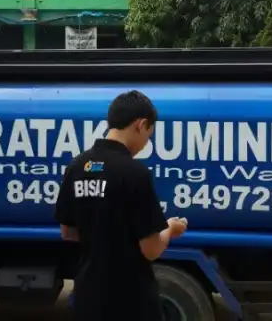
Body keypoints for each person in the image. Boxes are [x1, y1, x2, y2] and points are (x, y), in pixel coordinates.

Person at [55, 90, 188, 321]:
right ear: (141, 124)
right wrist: (170, 228)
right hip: (130, 299)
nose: (147, 143)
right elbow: (151, 248)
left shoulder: (77, 166)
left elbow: (68, 232)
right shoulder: (134, 173)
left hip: (88, 296)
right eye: (149, 135)